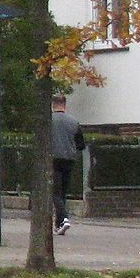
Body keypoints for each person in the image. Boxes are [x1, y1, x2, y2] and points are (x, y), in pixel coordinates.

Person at [51, 96, 87, 235]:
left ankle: (64, 218)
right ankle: (59, 224)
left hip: (53, 159)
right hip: (69, 160)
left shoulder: (48, 121)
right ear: (64, 105)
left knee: (55, 192)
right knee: (63, 192)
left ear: (53, 105)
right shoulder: (74, 122)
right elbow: (81, 145)